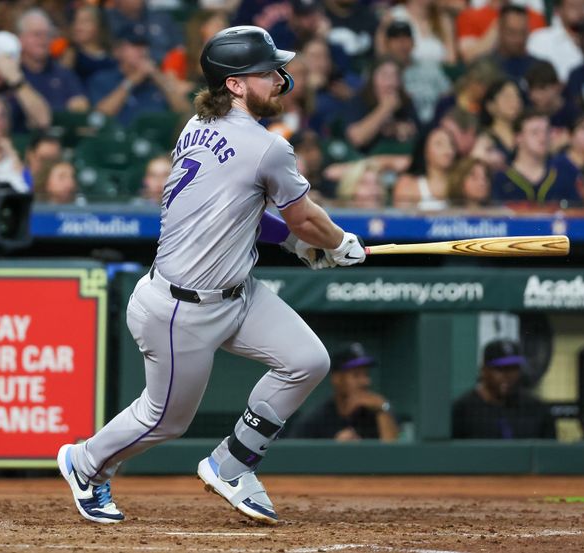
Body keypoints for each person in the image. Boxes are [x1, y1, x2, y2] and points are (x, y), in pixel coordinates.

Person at [57, 25, 367, 526]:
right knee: (164, 420)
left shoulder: (197, 125)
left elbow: (237, 212)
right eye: (266, 72)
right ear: (236, 85)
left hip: (235, 293)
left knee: (306, 360)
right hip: (182, 310)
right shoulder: (267, 147)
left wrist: (297, 244)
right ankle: (85, 462)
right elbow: (306, 218)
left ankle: (232, 463)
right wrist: (339, 244)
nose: (279, 78)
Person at [286, 342, 399, 441]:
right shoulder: (316, 420)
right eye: (356, 375)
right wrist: (336, 449)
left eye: (366, 375)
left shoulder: (374, 412)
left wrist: (382, 410)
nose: (365, 382)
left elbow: (394, 458)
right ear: (337, 379)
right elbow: (295, 461)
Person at [87, 23, 191, 127]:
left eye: (144, 45)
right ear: (117, 51)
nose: (141, 50)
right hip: (119, 138)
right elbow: (100, 116)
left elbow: (185, 113)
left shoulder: (156, 81)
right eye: (134, 45)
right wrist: (131, 81)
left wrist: (159, 79)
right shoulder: (102, 79)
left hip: (158, 138)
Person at [452, 339, 555, 439]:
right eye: (500, 369)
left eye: (514, 368)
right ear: (484, 371)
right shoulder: (463, 410)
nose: (508, 375)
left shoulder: (535, 409)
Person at [491, 111, 579, 204]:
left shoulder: (563, 174)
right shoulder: (500, 178)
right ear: (518, 138)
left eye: (546, 131)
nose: (543, 137)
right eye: (535, 132)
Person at [392, 126, 457, 210]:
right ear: (425, 151)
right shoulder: (408, 184)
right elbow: (403, 221)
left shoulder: (461, 183)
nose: (448, 149)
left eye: (451, 144)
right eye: (439, 144)